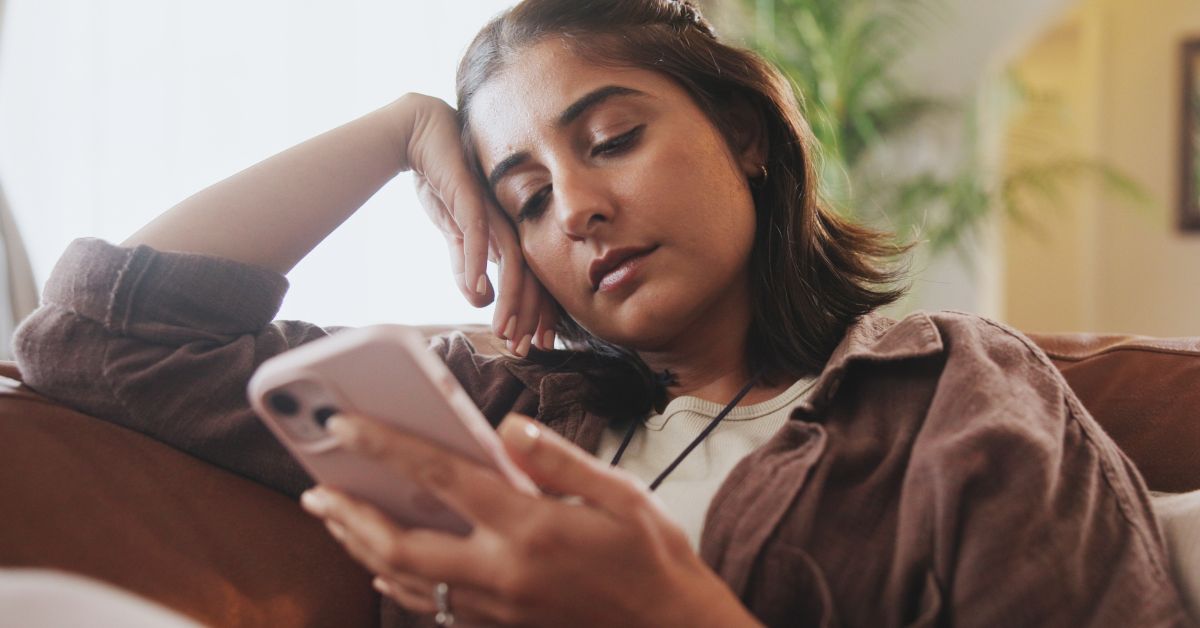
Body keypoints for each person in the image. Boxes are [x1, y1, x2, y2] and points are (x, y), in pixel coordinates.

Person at [12, 0, 1194, 626]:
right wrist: (396, 130)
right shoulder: (493, 411)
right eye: (522, 196)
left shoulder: (959, 401)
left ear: (744, 136)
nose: (575, 208)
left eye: (614, 138)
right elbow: (93, 336)